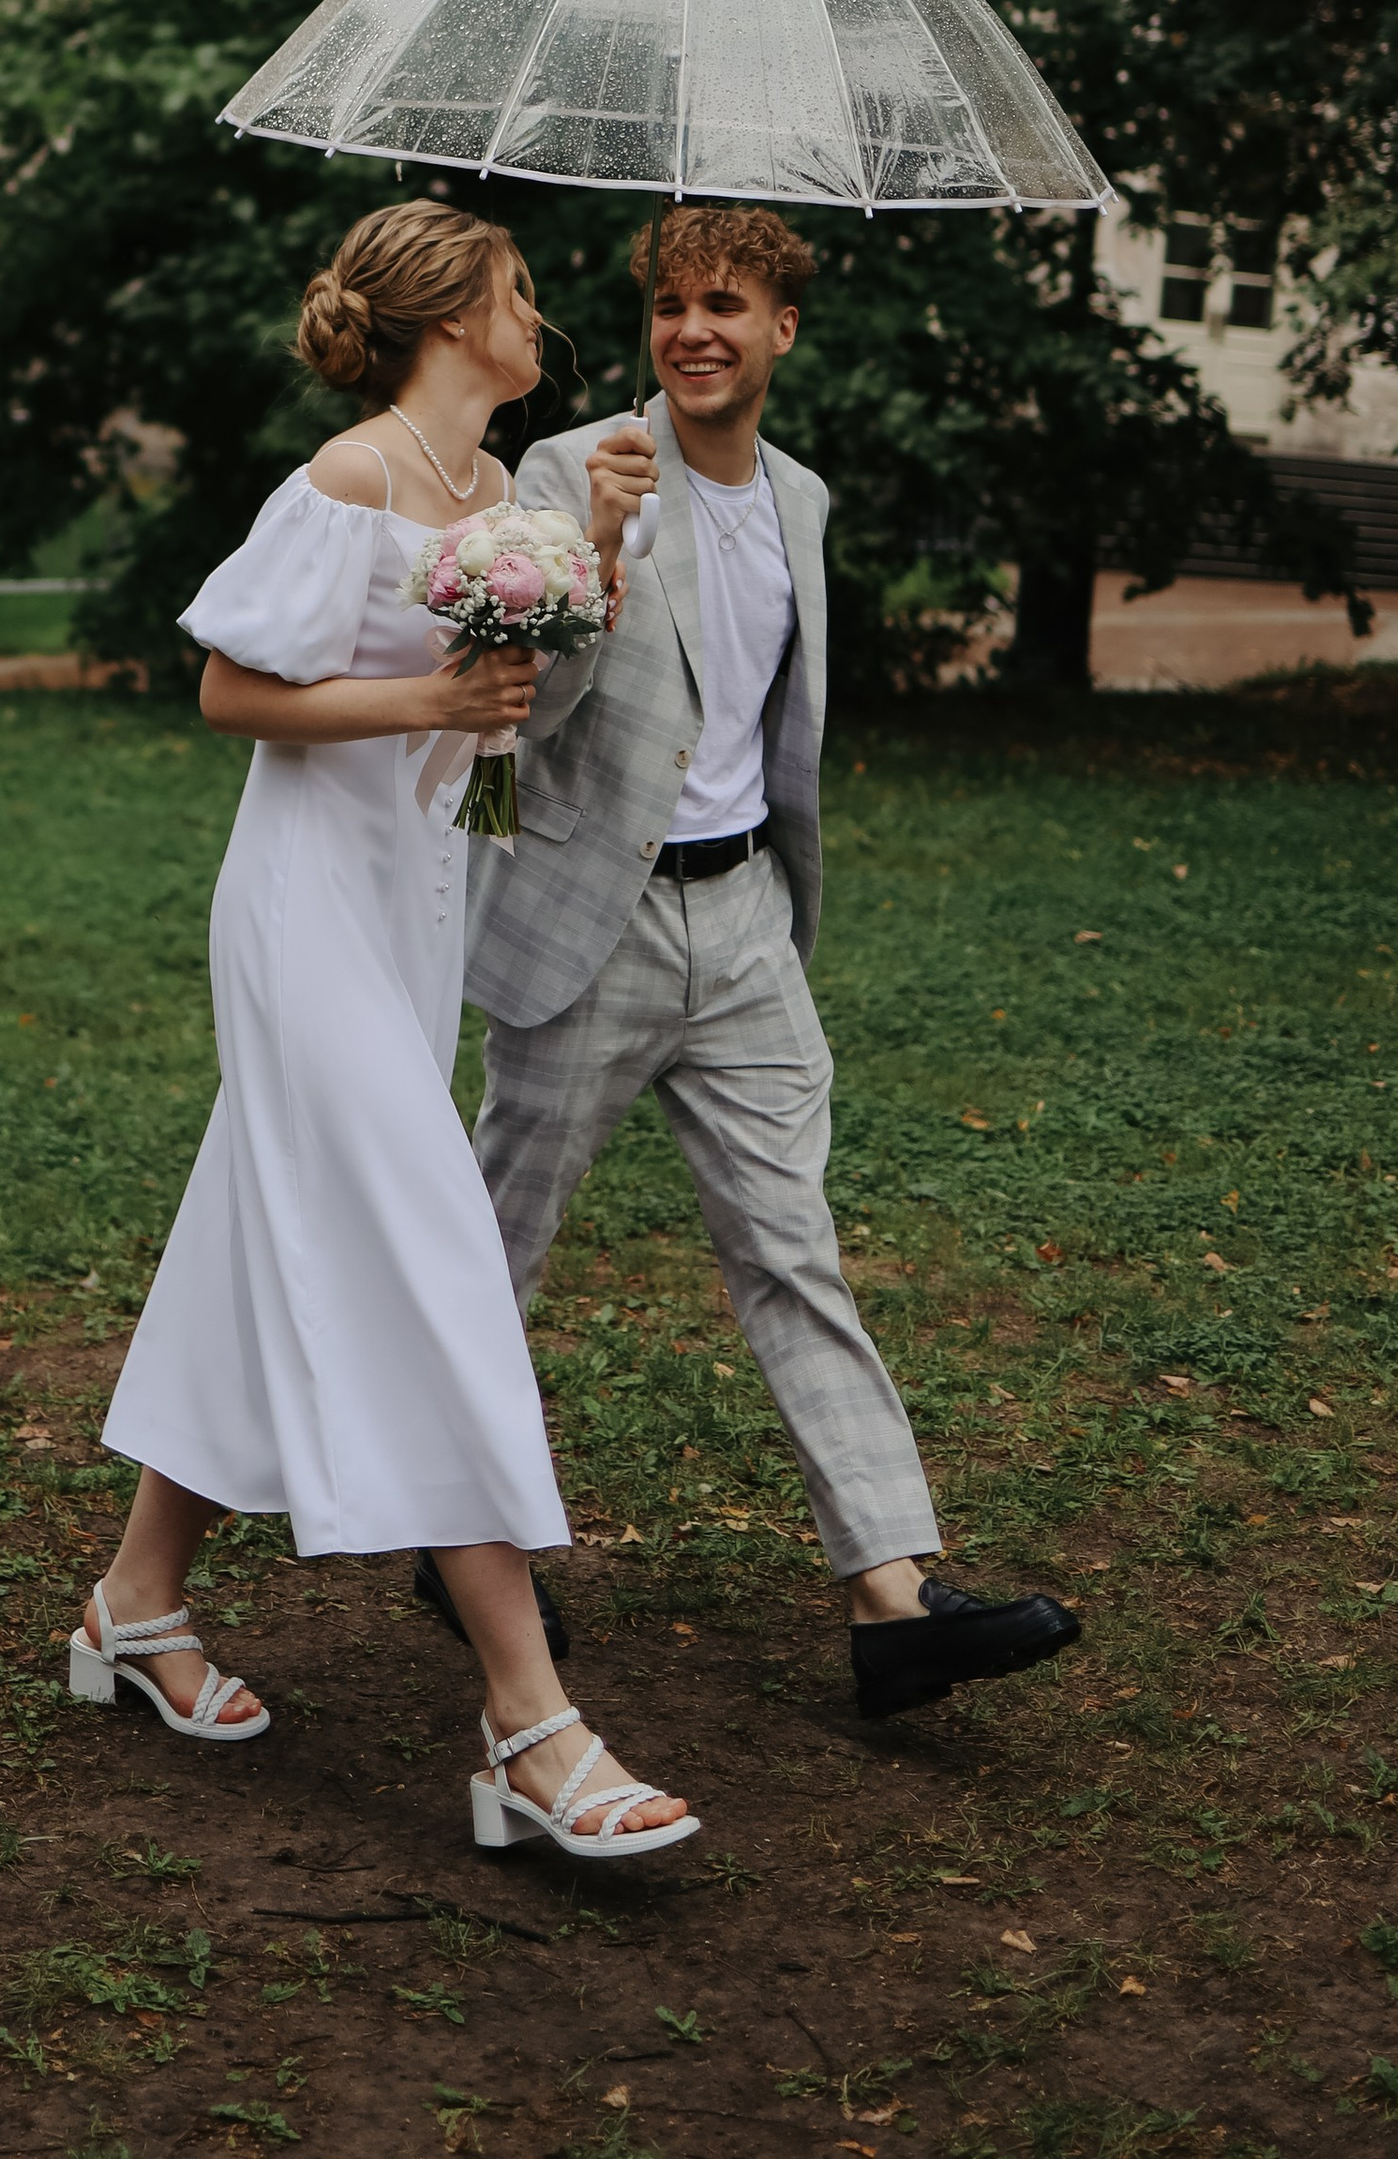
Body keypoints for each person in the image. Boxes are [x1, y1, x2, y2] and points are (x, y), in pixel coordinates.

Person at [77, 199, 698, 1862]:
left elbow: (523, 700)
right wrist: (431, 699)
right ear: (450, 323)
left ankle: (136, 1602)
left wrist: (605, 556)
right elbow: (227, 692)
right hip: (302, 916)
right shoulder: (342, 483)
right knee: (429, 1249)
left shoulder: (502, 496)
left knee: (259, 1231)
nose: (541, 319)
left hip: (421, 906)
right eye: (517, 294)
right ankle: (528, 1718)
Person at [440, 202, 1079, 1725]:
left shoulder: (800, 496)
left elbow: (771, 722)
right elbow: (521, 706)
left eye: (725, 305)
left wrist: (777, 912)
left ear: (783, 329)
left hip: (742, 929)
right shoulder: (568, 465)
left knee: (794, 1249)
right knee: (489, 1250)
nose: (693, 332)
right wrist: (594, 536)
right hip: (587, 922)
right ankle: (445, 1515)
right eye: (670, 307)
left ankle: (892, 1599)